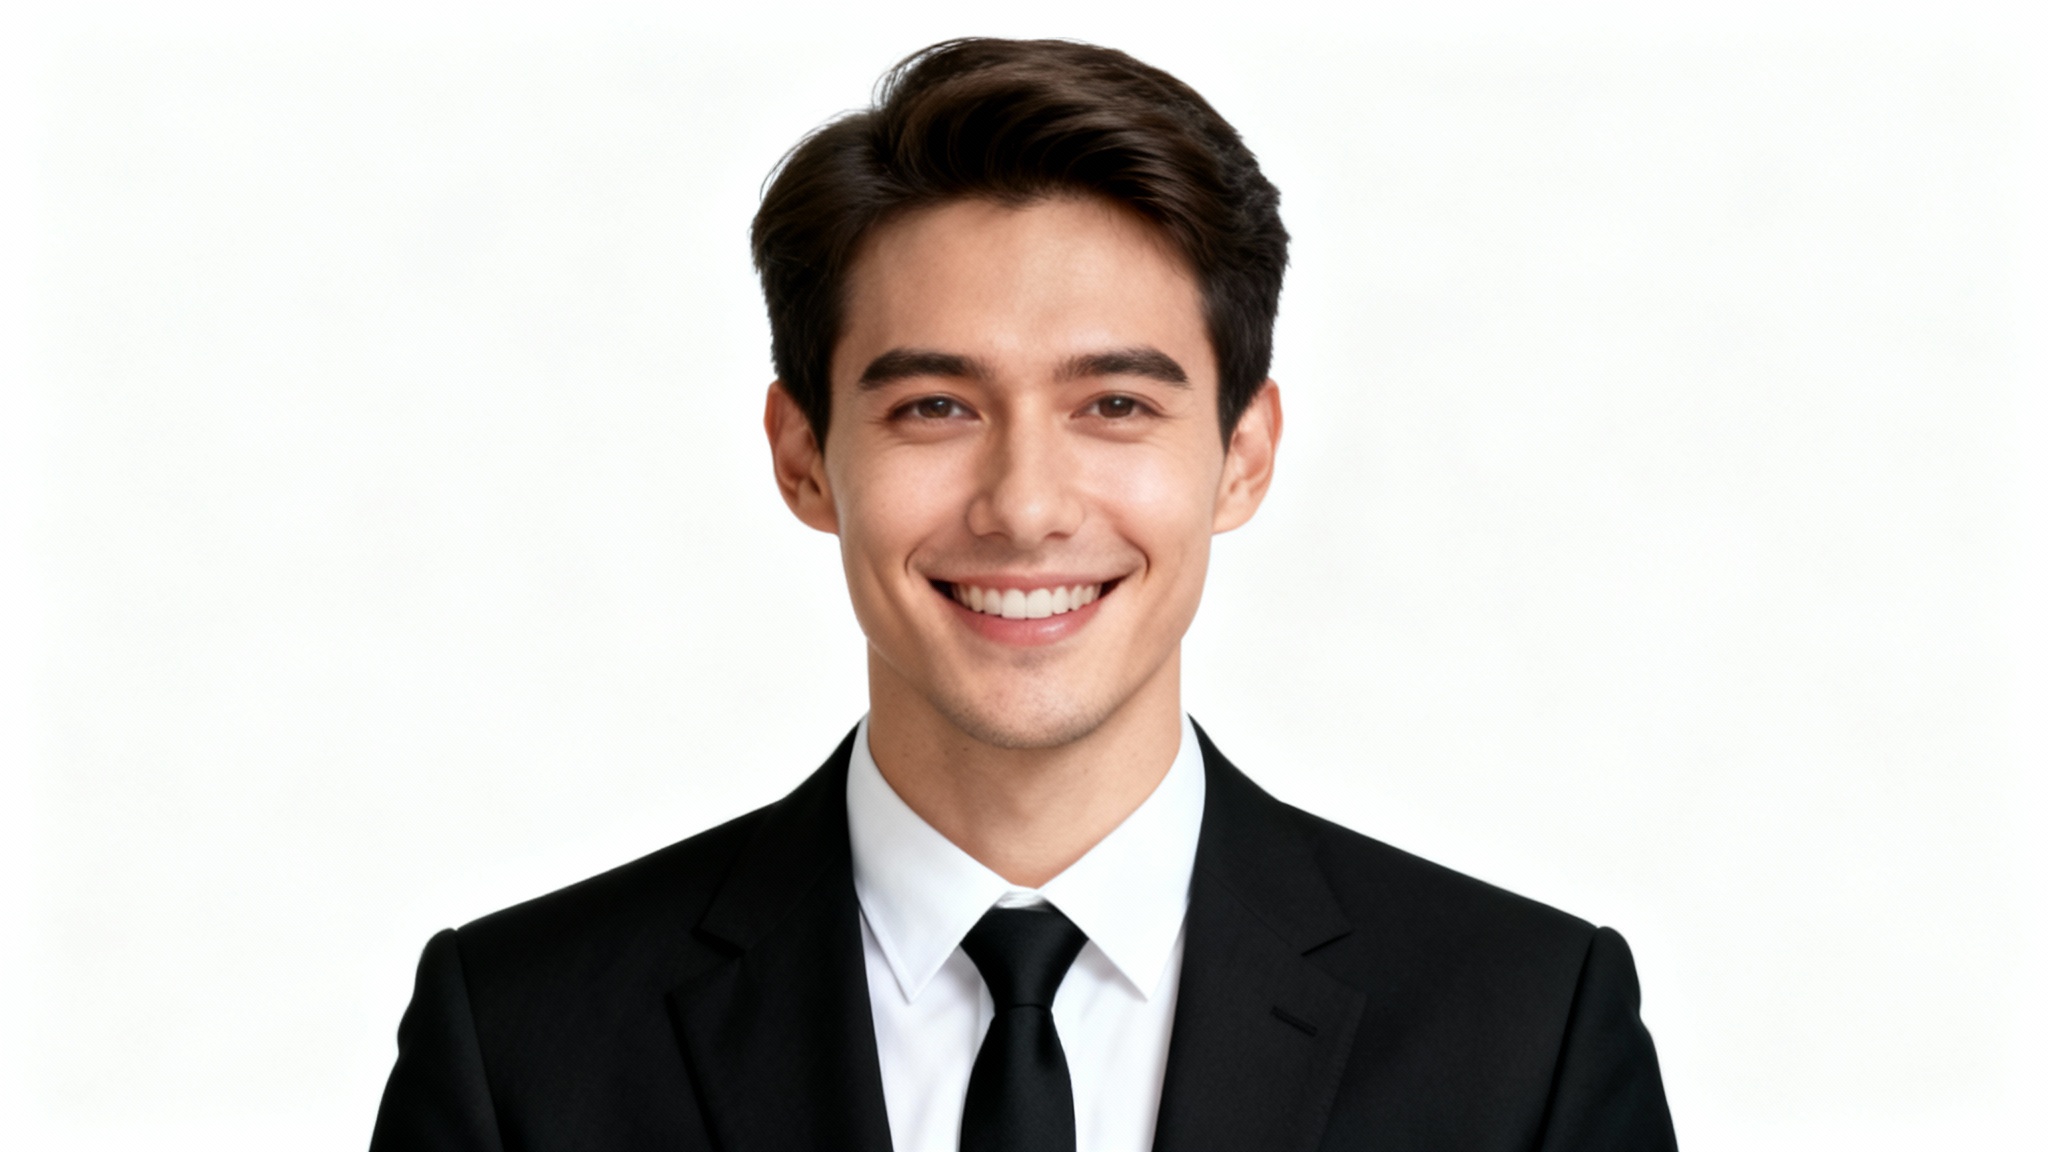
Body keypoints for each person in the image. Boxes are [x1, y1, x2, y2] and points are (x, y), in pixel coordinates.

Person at [369, 37, 1677, 1152]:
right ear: (804, 456)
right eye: (936, 406)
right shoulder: (522, 1043)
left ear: (1243, 454)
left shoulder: (1527, 1038)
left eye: (1115, 405)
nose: (1027, 505)